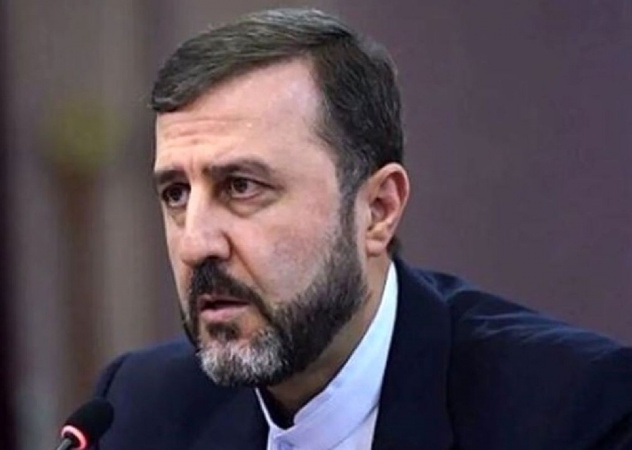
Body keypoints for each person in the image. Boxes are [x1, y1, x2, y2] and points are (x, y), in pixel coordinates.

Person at [90, 8, 632, 450]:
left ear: (377, 209)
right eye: (176, 194)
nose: (195, 243)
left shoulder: (572, 409)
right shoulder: (138, 408)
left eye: (242, 186)